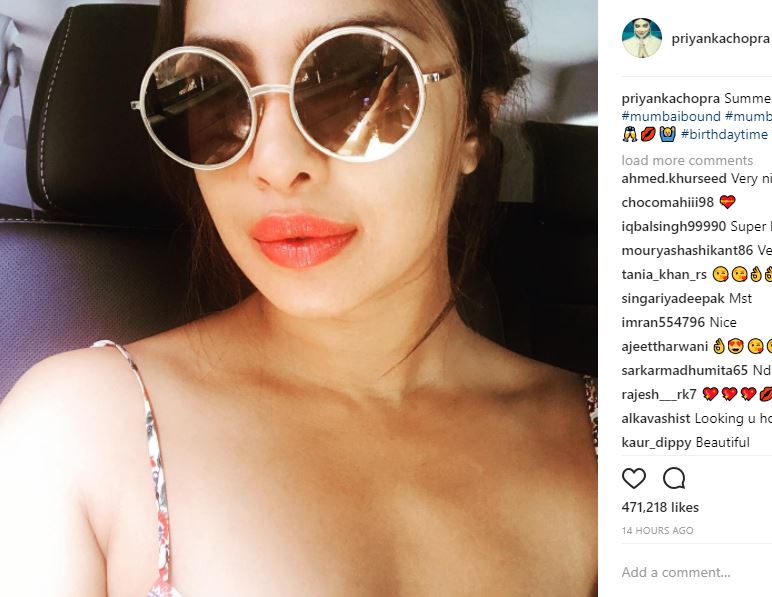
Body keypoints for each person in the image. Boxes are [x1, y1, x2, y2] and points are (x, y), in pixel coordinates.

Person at [0, 0, 598, 595]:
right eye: (216, 92)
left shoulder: (616, 442)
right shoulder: (74, 433)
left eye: (358, 80)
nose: (276, 163)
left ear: (474, 121)